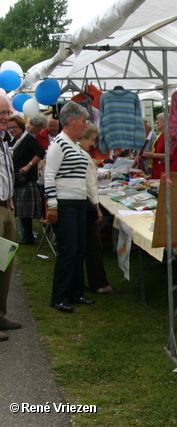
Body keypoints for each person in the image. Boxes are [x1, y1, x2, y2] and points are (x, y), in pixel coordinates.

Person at [45, 101, 95, 313]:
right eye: (83, 121)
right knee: (68, 251)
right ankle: (59, 296)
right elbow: (49, 174)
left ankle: (76, 292)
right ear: (71, 120)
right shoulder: (59, 144)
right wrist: (52, 204)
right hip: (64, 203)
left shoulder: (74, 144)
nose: (86, 126)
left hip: (78, 202)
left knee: (78, 250)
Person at [78, 123, 121, 294]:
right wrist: (97, 208)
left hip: (80, 203)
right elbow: (90, 184)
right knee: (93, 245)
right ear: (83, 137)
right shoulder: (82, 155)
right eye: (92, 140)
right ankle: (99, 283)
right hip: (86, 203)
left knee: (87, 246)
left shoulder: (76, 152)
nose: (93, 144)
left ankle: (89, 282)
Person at [0, 95, 21, 340]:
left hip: (6, 206)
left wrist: (10, 197)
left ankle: (0, 314)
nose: (6, 117)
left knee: (5, 264)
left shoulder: (5, 139)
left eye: (7, 113)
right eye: (2, 113)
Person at [7, 115, 45, 245]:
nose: (12, 130)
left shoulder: (28, 140)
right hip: (16, 179)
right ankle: (26, 235)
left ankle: (28, 237)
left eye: (14, 127)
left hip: (26, 179)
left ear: (21, 127)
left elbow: (41, 152)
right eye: (9, 128)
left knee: (25, 211)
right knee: (21, 211)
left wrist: (28, 166)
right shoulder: (12, 141)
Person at [142, 113, 177, 179]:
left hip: (169, 172)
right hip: (160, 171)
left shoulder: (170, 135)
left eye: (159, 120)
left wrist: (153, 155)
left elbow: (170, 155)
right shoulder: (161, 135)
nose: (157, 122)